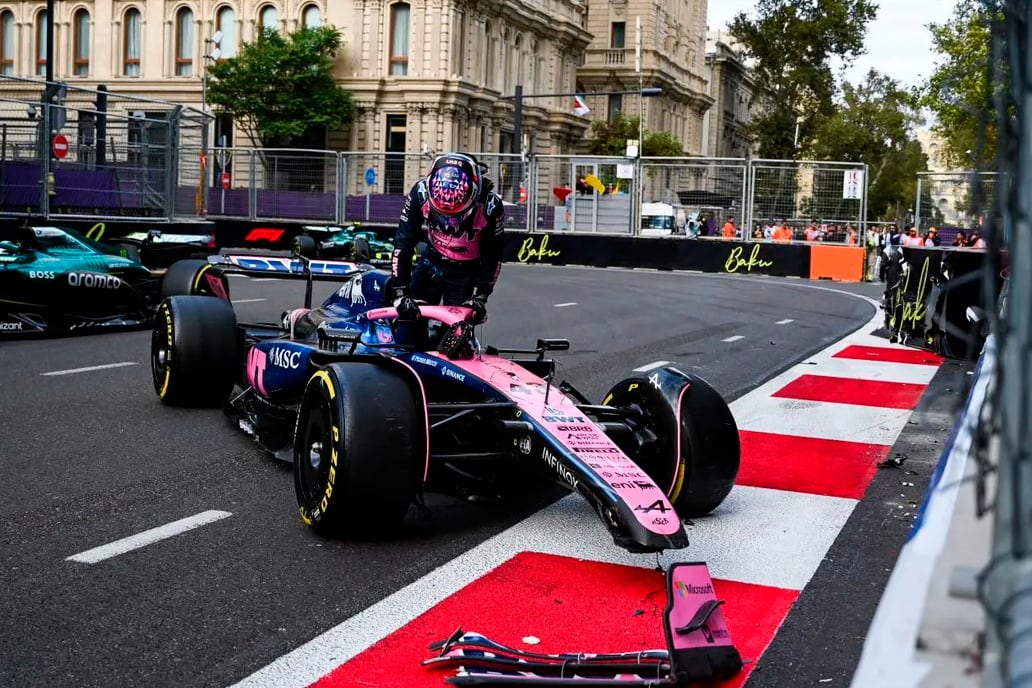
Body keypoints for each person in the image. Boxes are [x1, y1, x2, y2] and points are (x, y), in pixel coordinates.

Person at [390, 152, 505, 330]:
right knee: (407, 324)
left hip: (466, 272)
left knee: (456, 335)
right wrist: (400, 293)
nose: (449, 222)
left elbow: (493, 255)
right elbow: (403, 242)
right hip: (431, 263)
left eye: (455, 215)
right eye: (443, 216)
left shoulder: (491, 206)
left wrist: (481, 296)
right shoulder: (420, 193)